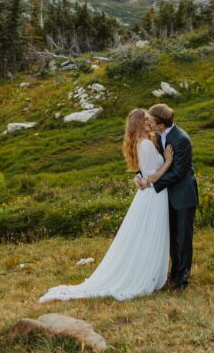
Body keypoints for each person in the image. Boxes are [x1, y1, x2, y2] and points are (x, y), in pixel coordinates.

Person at [39, 109, 173, 302]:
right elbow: (152, 176)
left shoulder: (146, 142)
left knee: (148, 235)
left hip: (152, 193)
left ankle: (150, 272)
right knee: (150, 234)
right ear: (137, 124)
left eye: (148, 119)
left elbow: (145, 173)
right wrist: (168, 162)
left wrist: (140, 177)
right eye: (144, 119)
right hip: (154, 194)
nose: (148, 121)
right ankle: (145, 275)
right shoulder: (145, 144)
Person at [135, 103, 198, 291]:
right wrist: (140, 176)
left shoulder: (181, 140)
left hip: (183, 195)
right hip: (165, 196)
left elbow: (178, 172)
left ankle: (183, 278)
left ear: (160, 125)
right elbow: (152, 163)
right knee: (171, 237)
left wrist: (152, 183)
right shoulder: (157, 137)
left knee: (184, 237)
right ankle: (174, 271)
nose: (148, 122)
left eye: (151, 121)